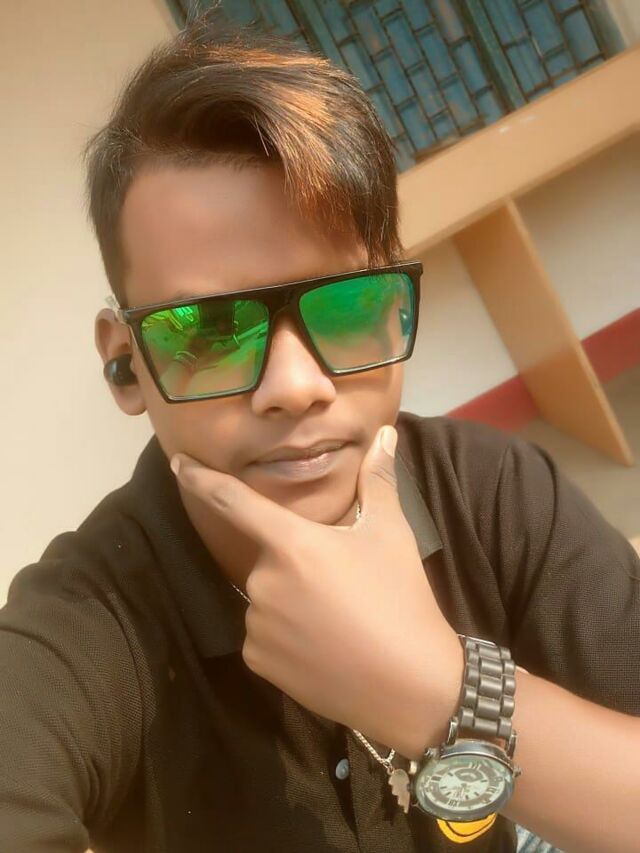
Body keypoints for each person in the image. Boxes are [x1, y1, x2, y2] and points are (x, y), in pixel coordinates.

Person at [1, 9, 638, 853]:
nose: (297, 387)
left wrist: (438, 692)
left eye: (347, 304)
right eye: (209, 330)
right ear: (126, 361)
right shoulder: (85, 623)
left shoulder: (494, 492)